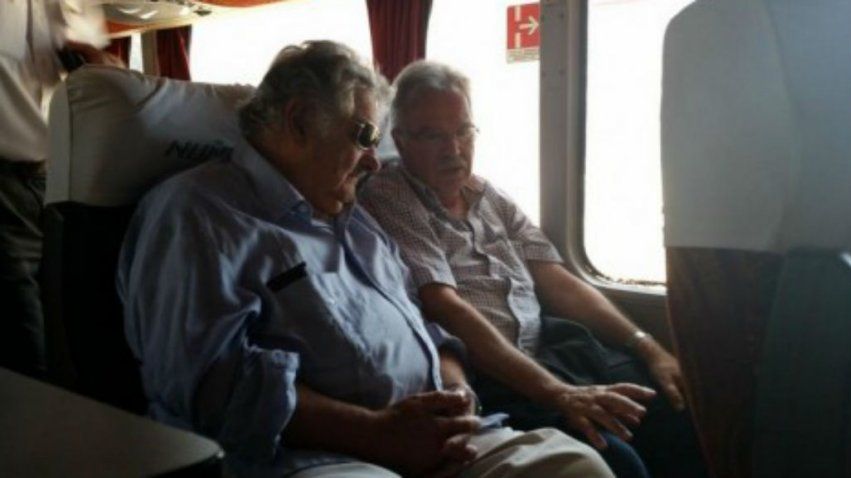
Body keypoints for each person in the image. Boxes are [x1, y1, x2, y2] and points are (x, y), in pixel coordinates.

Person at [117, 41, 615, 478]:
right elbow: (209, 384)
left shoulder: (354, 219)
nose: (375, 161)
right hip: (313, 458)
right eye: (364, 137)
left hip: (434, 439)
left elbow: (426, 326)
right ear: (299, 121)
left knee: (576, 466)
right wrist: (377, 433)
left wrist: (456, 394)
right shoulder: (197, 214)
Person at [359, 60, 708, 478]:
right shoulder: (391, 196)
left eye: (463, 131)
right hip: (492, 374)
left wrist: (648, 346)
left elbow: (556, 279)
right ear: (400, 140)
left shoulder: (490, 195)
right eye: (433, 135)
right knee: (617, 459)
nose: (454, 149)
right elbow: (444, 306)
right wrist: (559, 394)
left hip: (553, 348)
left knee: (679, 410)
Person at [0, 0, 123, 377]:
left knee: (76, 343)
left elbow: (93, 76)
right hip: (4, 185)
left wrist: (109, 75)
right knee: (27, 350)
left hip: (59, 181)